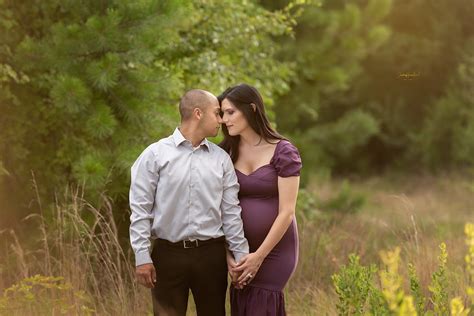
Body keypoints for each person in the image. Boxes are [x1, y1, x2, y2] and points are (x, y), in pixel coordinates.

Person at [129, 89, 249, 316]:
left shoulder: (221, 159)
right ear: (197, 114)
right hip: (168, 256)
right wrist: (142, 256)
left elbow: (231, 213)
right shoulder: (154, 155)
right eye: (217, 113)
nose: (222, 120)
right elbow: (140, 210)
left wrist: (241, 257)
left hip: (211, 256)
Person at [219, 83, 302, 316]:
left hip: (275, 251)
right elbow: (216, 209)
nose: (225, 119)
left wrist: (259, 257)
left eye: (230, 112)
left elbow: (287, 212)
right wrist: (229, 256)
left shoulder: (283, 151)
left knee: (261, 306)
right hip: (239, 250)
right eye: (222, 113)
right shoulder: (225, 152)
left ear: (252, 108)